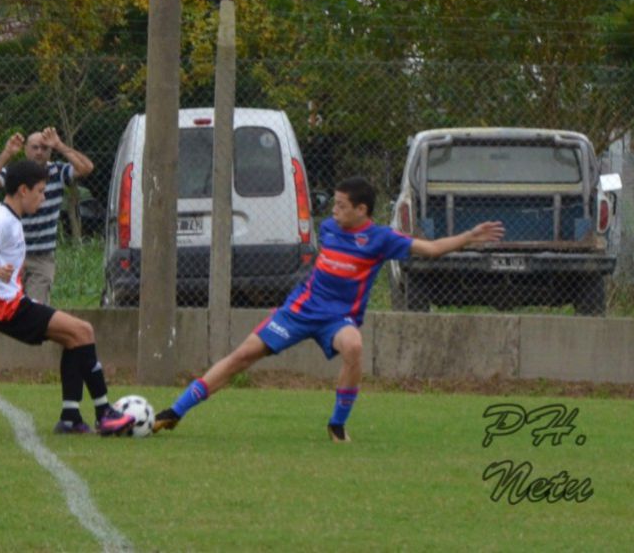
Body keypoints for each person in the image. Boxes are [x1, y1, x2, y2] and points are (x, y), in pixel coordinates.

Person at [153, 176, 505, 442]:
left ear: (361, 210)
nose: (333, 210)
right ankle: (175, 411)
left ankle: (337, 425)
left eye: (340, 205)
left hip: (338, 319)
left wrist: (467, 237)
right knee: (243, 355)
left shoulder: (381, 239)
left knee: (353, 346)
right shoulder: (328, 228)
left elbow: (430, 249)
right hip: (299, 310)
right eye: (334, 204)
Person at [0, 159, 133, 436]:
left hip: (9, 302)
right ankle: (104, 413)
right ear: (23, 190)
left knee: (72, 338)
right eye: (41, 191)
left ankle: (70, 417)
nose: (44, 198)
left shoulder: (5, 217)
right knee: (84, 330)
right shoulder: (2, 219)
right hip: (5, 307)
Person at [0, 128, 95, 305]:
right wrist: (6, 153)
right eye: (34, 147)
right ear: (25, 149)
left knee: (36, 310)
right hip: (13, 255)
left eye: (45, 148)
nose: (39, 152)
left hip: (41, 257)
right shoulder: (16, 174)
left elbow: (86, 167)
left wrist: (60, 145)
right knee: (10, 309)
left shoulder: (57, 171)